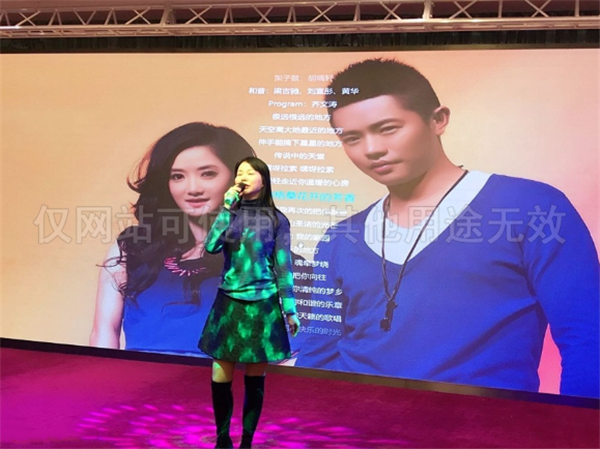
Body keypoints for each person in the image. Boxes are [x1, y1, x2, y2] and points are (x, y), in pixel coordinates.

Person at [296, 58, 600, 398]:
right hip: (353, 420)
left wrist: (577, 424)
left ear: (438, 120)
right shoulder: (340, 238)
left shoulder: (533, 208)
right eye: (352, 138)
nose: (372, 149)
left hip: (482, 423)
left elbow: (587, 337)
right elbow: (318, 352)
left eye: (388, 128)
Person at [90, 122, 256, 355]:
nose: (193, 188)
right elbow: (104, 333)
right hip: (137, 377)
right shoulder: (133, 248)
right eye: (177, 176)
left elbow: (286, 356)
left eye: (207, 174)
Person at [199, 156, 301, 448]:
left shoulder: (277, 220)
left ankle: (246, 440)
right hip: (229, 302)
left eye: (249, 172)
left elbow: (283, 266)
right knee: (220, 375)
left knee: (255, 379)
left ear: (263, 180)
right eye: (239, 172)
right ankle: (222, 438)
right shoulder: (230, 213)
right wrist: (226, 209)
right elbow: (210, 246)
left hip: (263, 305)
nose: (242, 177)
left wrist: (290, 310)